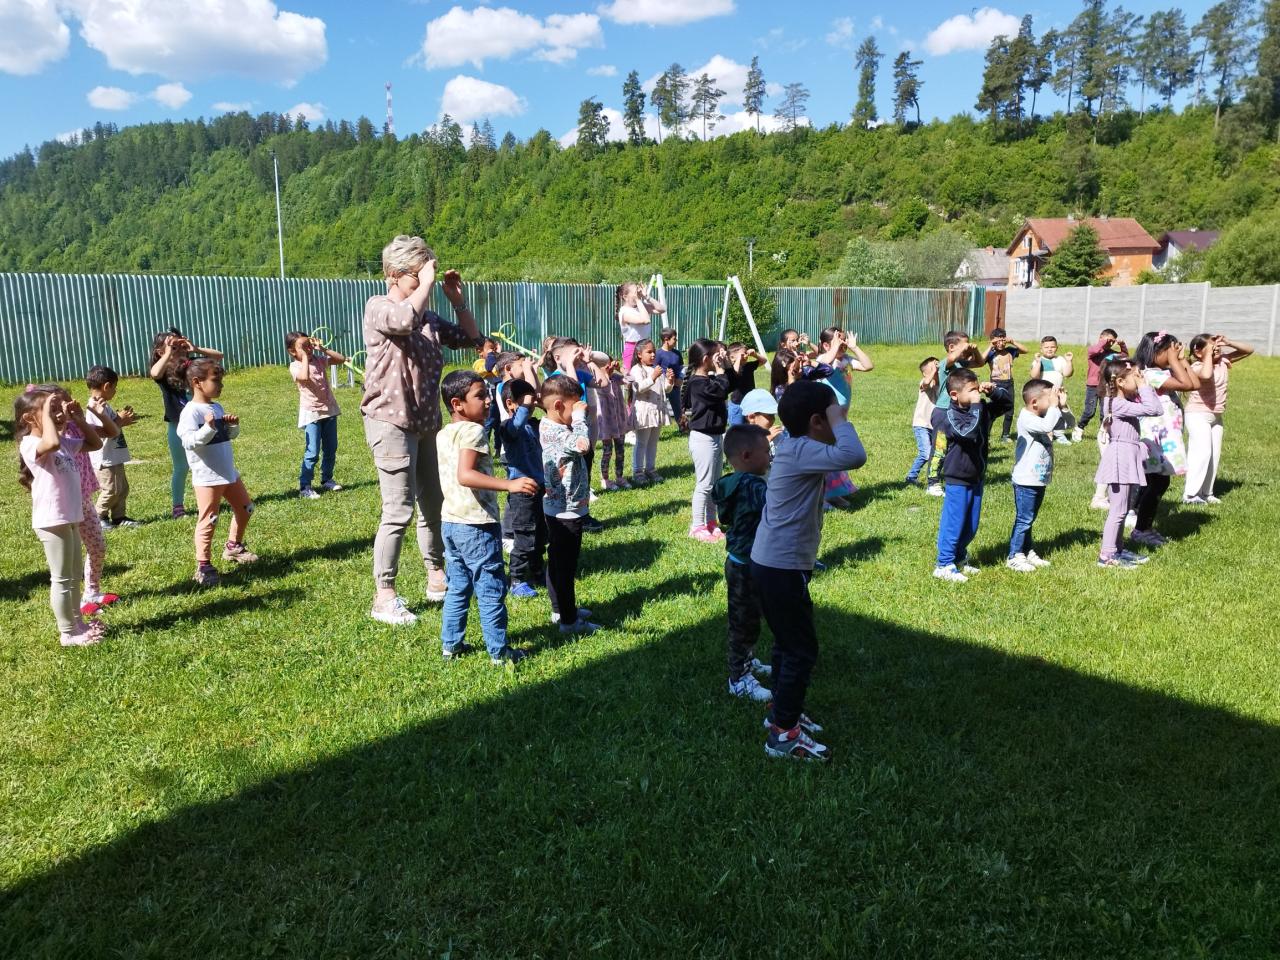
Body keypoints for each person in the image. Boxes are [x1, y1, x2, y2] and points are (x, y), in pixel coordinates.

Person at [362, 235, 480, 626]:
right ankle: (384, 596)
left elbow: (471, 339)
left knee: (434, 503)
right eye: (417, 274)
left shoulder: (428, 317)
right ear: (394, 274)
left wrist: (456, 300)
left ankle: (436, 576)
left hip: (426, 421)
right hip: (389, 420)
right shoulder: (379, 307)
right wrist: (426, 284)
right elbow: (403, 321)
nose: (424, 280)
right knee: (398, 509)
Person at [751, 380, 867, 761]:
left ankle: (782, 711)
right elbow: (855, 455)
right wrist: (836, 415)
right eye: (835, 414)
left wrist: (831, 412)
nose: (842, 419)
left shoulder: (796, 446)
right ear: (818, 421)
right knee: (801, 650)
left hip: (776, 564)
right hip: (780, 567)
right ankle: (783, 735)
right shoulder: (801, 449)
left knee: (788, 643)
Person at [436, 371, 538, 665]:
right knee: (491, 587)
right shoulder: (473, 432)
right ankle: (499, 652)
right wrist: (509, 484)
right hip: (476, 525)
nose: (488, 402)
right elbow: (465, 475)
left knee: (458, 586)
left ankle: (451, 645)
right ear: (457, 404)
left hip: (451, 522)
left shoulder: (444, 433)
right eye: (480, 396)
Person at [15, 386, 104, 646]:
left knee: (74, 575)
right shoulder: (31, 443)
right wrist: (48, 414)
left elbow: (95, 443)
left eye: (57, 409)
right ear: (29, 418)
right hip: (52, 520)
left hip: (70, 516)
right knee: (62, 578)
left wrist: (78, 419)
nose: (57, 414)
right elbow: (51, 442)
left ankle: (78, 623)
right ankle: (68, 632)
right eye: (49, 410)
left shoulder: (64, 443)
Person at [177, 360, 257, 587]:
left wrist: (233, 426)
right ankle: (203, 565)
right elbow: (189, 441)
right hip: (207, 478)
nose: (221, 385)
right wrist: (207, 428)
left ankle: (233, 546)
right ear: (197, 382)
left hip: (228, 472)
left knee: (246, 509)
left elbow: (227, 437)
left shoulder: (217, 408)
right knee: (209, 520)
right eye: (216, 380)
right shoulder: (190, 412)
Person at [931, 370, 1013, 583]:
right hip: (957, 478)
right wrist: (977, 405)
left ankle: (959, 557)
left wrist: (994, 392)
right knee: (954, 522)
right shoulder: (948, 416)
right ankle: (943, 564)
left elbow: (1007, 405)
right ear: (954, 395)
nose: (977, 394)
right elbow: (968, 433)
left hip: (977, 476)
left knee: (971, 525)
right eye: (972, 390)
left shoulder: (981, 409)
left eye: (978, 389)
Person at [713, 424, 774, 702]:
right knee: (743, 623)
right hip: (746, 563)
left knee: (749, 617)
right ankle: (738, 678)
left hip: (739, 560)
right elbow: (775, 509)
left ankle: (748, 659)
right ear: (747, 455)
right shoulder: (753, 486)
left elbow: (726, 517)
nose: (770, 456)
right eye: (766, 451)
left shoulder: (733, 483)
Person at [539, 375, 600, 634]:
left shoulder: (548, 425)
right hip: (566, 511)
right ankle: (569, 621)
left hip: (557, 507)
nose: (578, 410)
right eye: (573, 405)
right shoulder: (558, 433)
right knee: (565, 567)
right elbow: (583, 445)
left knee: (556, 561)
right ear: (558, 406)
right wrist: (579, 418)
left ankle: (561, 609)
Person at [1132, 331, 1198, 547]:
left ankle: (1141, 523)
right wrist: (1174, 360)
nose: (1174, 354)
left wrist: (1179, 360)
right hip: (1156, 438)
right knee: (1158, 482)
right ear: (1156, 352)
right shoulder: (1151, 374)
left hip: (1165, 436)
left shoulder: (1161, 372)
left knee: (1155, 482)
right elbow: (1187, 385)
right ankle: (1141, 529)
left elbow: (1194, 383)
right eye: (1169, 351)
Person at [1095, 358, 1162, 569]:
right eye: (1136, 376)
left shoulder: (1121, 401)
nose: (1140, 379)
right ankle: (1107, 556)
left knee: (1123, 508)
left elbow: (1155, 407)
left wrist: (1140, 385)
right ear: (1121, 382)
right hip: (1120, 459)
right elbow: (1155, 409)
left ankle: (1118, 550)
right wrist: (1144, 386)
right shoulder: (1117, 403)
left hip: (1126, 456)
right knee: (1118, 510)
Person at [149, 328, 223, 518]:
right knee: (181, 467)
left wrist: (195, 348)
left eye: (180, 345)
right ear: (160, 352)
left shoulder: (191, 366)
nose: (178, 349)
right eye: (173, 346)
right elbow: (154, 373)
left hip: (202, 424)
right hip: (177, 427)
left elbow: (218, 356)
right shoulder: (164, 371)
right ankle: (178, 507)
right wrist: (168, 353)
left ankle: (213, 499)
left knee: (210, 461)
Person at [58, 386, 116, 616]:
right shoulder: (46, 435)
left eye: (68, 402)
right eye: (60, 406)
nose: (68, 407)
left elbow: (111, 432)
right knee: (70, 558)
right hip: (64, 503)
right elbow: (55, 443)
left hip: (83, 498)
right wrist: (61, 421)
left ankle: (92, 591)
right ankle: (72, 608)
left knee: (97, 545)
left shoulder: (76, 427)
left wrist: (88, 416)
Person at [1183, 333, 1253, 504]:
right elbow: (1207, 375)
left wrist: (1228, 342)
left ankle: (1207, 493)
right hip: (1198, 415)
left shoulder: (1223, 361)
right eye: (1211, 347)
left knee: (1214, 456)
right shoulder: (1197, 367)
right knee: (1201, 453)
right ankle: (1190, 495)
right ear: (1198, 352)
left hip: (1216, 416)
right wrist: (1208, 354)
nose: (1216, 349)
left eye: (1217, 347)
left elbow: (1249, 350)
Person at [500, 378, 548, 600]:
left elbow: (553, 417)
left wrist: (539, 403)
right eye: (523, 403)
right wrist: (525, 406)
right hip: (522, 492)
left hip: (540, 487)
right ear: (510, 404)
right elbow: (515, 426)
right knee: (524, 535)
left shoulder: (533, 425)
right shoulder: (507, 428)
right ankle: (517, 579)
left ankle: (537, 571)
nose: (529, 408)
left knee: (541, 534)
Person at [1006, 379, 1061, 572]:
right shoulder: (1027, 418)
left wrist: (1061, 405)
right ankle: (1014, 555)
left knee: (1030, 518)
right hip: (1026, 480)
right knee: (1024, 519)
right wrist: (1054, 406)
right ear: (1034, 402)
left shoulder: (1044, 416)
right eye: (1049, 397)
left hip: (1037, 479)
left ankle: (1027, 550)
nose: (1053, 400)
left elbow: (1067, 424)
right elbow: (1047, 426)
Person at [815, 327, 872, 508]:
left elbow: (868, 366)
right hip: (826, 417)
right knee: (826, 455)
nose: (843, 343)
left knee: (836, 455)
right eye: (839, 340)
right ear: (826, 345)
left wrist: (855, 347)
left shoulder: (846, 360)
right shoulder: (823, 359)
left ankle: (834, 493)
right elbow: (825, 363)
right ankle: (822, 495)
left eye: (844, 339)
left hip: (840, 417)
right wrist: (834, 347)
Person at [286, 332, 347, 500]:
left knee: (330, 448)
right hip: (312, 413)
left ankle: (327, 479)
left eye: (309, 345)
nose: (308, 349)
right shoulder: (295, 366)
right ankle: (305, 486)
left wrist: (323, 349)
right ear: (292, 351)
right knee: (312, 451)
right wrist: (305, 357)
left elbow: (341, 359)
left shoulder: (319, 360)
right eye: (303, 347)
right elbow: (304, 377)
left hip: (329, 410)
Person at [682, 338, 730, 543]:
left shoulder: (707, 380)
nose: (718, 358)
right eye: (715, 355)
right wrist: (720, 370)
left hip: (716, 436)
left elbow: (729, 383)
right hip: (703, 439)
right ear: (705, 359)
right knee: (704, 484)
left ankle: (711, 523)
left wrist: (724, 365)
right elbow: (721, 391)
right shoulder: (698, 383)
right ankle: (697, 526)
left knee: (714, 483)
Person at [84, 366, 141, 529]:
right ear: (106, 386)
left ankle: (118, 517)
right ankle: (98, 516)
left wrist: (123, 420)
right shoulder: (93, 407)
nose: (115, 391)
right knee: (111, 489)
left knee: (122, 488)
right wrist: (120, 420)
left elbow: (113, 425)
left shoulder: (104, 405)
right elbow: (102, 432)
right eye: (114, 387)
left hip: (114, 455)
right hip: (105, 458)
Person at [628, 339, 671, 485]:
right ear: (639, 354)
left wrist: (669, 381)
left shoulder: (656, 369)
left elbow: (664, 389)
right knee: (641, 442)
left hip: (656, 411)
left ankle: (650, 469)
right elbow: (639, 388)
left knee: (653, 442)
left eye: (654, 352)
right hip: (644, 412)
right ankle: (637, 472)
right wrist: (653, 377)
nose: (653, 355)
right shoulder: (636, 370)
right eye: (649, 352)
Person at [1076, 328, 1128, 442]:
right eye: (1108, 340)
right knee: (1089, 411)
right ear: (1101, 338)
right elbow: (1095, 350)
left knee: (1104, 412)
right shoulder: (1093, 350)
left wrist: (1122, 345)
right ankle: (1079, 428)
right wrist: (1104, 342)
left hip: (1105, 386)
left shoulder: (1111, 354)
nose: (1110, 343)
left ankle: (1103, 432)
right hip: (1092, 386)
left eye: (1112, 342)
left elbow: (1124, 356)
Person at [984, 328, 1029, 443]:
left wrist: (1012, 342)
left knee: (1010, 410)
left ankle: (1005, 435)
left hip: (1009, 383)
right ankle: (986, 435)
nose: (1001, 343)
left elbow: (1025, 350)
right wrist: (990, 345)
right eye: (997, 341)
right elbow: (981, 359)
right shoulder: (991, 353)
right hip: (995, 384)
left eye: (1003, 340)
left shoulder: (1010, 351)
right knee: (993, 410)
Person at [1030, 336, 1076, 444]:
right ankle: (1045, 434)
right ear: (1041, 349)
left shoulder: (1060, 360)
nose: (1049, 349)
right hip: (1043, 394)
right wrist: (1038, 362)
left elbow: (1067, 374)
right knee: (1044, 414)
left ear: (1057, 348)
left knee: (1060, 414)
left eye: (1052, 347)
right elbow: (1034, 376)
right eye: (1046, 347)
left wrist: (1069, 361)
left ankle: (1059, 434)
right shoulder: (1039, 360)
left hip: (1058, 393)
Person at [594, 355, 629, 490]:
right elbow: (603, 390)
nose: (609, 367)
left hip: (619, 420)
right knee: (607, 452)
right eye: (605, 365)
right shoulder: (596, 380)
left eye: (610, 363)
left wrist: (621, 370)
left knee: (620, 450)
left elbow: (630, 380)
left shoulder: (616, 378)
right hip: (606, 422)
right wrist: (604, 374)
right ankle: (605, 479)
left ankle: (619, 477)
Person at [906, 356, 940, 492]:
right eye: (932, 367)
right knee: (926, 453)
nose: (936, 368)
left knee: (936, 453)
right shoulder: (924, 382)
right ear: (925, 373)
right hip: (921, 424)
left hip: (933, 425)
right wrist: (934, 371)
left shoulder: (939, 384)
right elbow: (926, 382)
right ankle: (911, 476)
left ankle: (934, 476)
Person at [616, 281, 666, 371]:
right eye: (635, 292)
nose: (638, 294)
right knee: (631, 376)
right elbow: (646, 320)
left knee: (648, 373)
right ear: (625, 297)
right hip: (633, 348)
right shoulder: (624, 312)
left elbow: (662, 309)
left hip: (646, 346)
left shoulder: (640, 306)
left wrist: (646, 296)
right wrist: (639, 300)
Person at [935, 331, 985, 413]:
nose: (967, 349)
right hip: (944, 407)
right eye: (965, 345)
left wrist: (975, 350)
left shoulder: (961, 363)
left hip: (958, 408)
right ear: (951, 347)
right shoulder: (944, 363)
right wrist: (963, 348)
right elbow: (952, 358)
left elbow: (980, 363)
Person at [724, 343, 765, 426]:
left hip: (750, 403)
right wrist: (738, 359)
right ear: (732, 357)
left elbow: (764, 361)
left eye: (746, 353)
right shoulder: (730, 369)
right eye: (742, 354)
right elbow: (735, 373)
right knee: (737, 429)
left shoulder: (748, 366)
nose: (746, 356)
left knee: (750, 427)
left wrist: (755, 354)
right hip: (737, 405)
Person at [655, 328, 684, 425]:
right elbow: (654, 369)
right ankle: (654, 426)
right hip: (662, 387)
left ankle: (683, 427)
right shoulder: (658, 354)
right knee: (657, 407)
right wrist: (665, 377)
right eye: (674, 339)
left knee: (678, 408)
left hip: (675, 386)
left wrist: (680, 378)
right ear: (666, 339)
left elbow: (681, 368)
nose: (676, 341)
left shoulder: (677, 353)